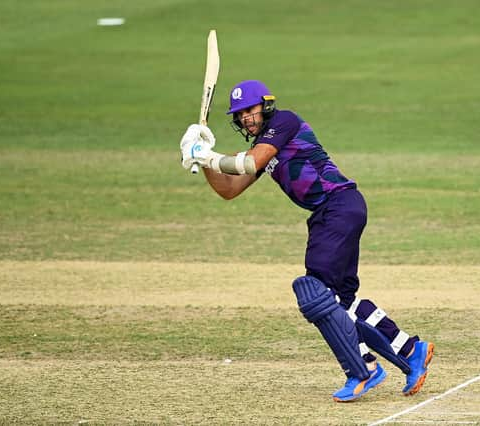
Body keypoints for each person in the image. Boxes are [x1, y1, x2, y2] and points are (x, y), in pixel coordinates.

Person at [179, 80, 434, 402]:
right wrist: (200, 161)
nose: (245, 118)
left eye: (250, 110)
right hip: (332, 213)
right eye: (239, 114)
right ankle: (411, 350)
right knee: (339, 300)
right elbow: (229, 189)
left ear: (266, 106)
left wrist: (207, 154)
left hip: (339, 206)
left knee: (315, 292)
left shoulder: (284, 122)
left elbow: (249, 162)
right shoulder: (264, 144)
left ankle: (364, 369)